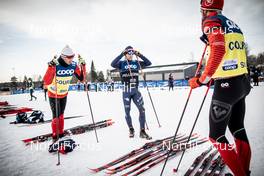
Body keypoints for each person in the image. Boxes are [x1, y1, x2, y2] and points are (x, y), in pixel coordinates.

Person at [189, 1, 251, 175]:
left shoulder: (210, 21)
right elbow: (227, 49)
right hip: (242, 83)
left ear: (205, 9)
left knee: (215, 136)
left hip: (227, 86)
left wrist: (202, 80)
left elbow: (218, 51)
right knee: (238, 128)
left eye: (201, 10)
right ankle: (244, 171)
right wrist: (209, 41)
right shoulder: (233, 24)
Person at [43, 45, 86, 141]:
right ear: (63, 57)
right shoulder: (55, 64)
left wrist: (83, 66)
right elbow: (47, 81)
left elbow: (82, 79)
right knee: (56, 116)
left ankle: (61, 133)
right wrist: (50, 67)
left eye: (73, 57)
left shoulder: (73, 65)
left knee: (61, 115)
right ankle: (55, 135)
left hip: (64, 94)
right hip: (54, 94)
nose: (72, 59)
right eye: (70, 57)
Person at [111, 46, 152, 140]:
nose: (131, 54)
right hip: (126, 91)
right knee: (127, 111)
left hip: (135, 90)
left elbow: (148, 63)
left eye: (132, 53)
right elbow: (112, 64)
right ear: (125, 54)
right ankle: (131, 129)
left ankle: (142, 131)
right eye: (129, 53)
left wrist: (139, 54)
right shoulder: (121, 63)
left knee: (142, 109)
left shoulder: (136, 63)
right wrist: (122, 54)